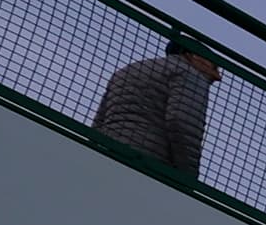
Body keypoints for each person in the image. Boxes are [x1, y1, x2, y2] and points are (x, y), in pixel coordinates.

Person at [90, 27, 218, 175]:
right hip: (149, 162)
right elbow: (182, 123)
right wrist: (188, 175)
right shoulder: (190, 75)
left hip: (107, 152)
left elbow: (99, 121)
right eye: (214, 66)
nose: (217, 76)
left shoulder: (126, 70)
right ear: (194, 56)